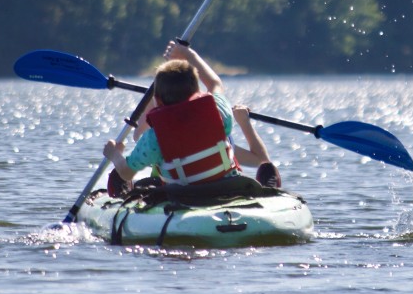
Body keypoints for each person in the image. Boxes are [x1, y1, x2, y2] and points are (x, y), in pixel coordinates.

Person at [102, 41, 281, 195]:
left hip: (181, 195)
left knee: (125, 178)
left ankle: (124, 193)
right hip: (227, 189)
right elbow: (215, 84)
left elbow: (126, 172)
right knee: (267, 170)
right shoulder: (219, 114)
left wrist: (114, 155)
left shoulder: (154, 138)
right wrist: (188, 54)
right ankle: (269, 192)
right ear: (197, 91)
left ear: (157, 100)